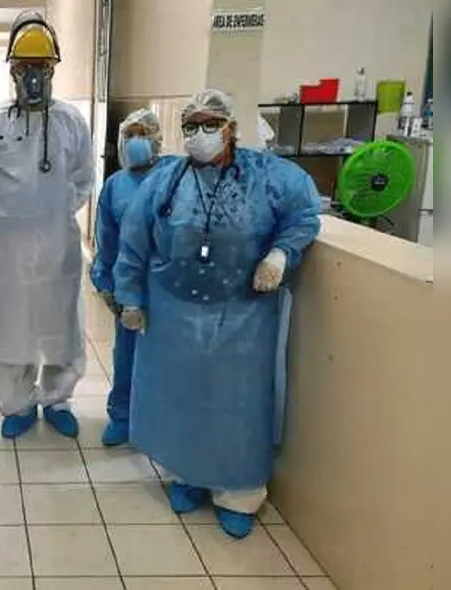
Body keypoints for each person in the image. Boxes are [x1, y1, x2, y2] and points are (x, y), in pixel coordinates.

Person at [114, 89, 321, 539]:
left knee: (236, 406)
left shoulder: (269, 176)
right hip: (175, 313)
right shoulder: (167, 179)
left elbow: (304, 214)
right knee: (181, 399)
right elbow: (135, 237)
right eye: (191, 126)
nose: (199, 135)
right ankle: (188, 476)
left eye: (210, 124)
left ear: (230, 128)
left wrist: (281, 255)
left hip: (243, 317)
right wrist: (130, 297)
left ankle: (239, 493)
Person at [0, 10, 94, 440]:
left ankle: (58, 398)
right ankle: (16, 404)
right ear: (11, 70)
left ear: (53, 69)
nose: (33, 77)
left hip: (57, 245)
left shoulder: (72, 122)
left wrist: (50, 214)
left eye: (42, 68)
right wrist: (12, 218)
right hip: (6, 250)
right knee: (10, 324)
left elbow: (84, 180)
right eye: (25, 68)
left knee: (60, 323)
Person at [90, 108, 173, 447]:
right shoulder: (115, 185)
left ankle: (159, 424)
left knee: (166, 360)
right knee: (126, 356)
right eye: (129, 135)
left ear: (157, 138)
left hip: (170, 287)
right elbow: (106, 238)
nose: (136, 141)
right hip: (130, 287)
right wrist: (107, 285)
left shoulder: (175, 174)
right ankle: (121, 417)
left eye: (143, 133)